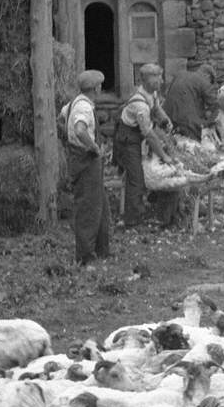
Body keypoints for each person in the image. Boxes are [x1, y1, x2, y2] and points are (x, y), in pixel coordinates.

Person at [113, 62, 175, 228]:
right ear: (146, 80)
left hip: (136, 136)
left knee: (142, 172)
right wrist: (164, 155)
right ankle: (132, 220)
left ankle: (145, 207)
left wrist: (165, 120)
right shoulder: (139, 105)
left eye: (160, 77)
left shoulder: (152, 93)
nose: (161, 81)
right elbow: (149, 134)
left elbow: (156, 108)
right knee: (136, 178)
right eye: (157, 78)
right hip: (127, 139)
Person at [62, 69, 110, 267]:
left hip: (81, 158)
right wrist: (93, 146)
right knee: (88, 208)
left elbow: (61, 119)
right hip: (85, 160)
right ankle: (85, 257)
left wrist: (67, 140)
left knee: (101, 206)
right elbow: (80, 129)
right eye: (100, 86)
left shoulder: (73, 103)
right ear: (96, 88)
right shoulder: (84, 108)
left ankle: (101, 250)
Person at [162, 62, 218, 141]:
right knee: (195, 142)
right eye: (211, 81)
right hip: (186, 121)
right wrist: (209, 122)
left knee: (172, 141)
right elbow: (215, 104)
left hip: (167, 115)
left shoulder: (180, 74)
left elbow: (168, 94)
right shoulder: (203, 81)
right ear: (207, 75)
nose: (209, 83)